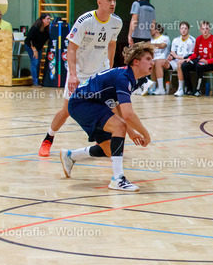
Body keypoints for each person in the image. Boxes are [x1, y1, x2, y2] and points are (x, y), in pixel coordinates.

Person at [38, 0, 122, 157]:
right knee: (67, 110)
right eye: (109, 0)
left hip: (100, 71)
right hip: (81, 72)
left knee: (110, 106)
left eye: (114, 0)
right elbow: (71, 49)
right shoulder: (85, 21)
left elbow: (112, 44)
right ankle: (48, 139)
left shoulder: (117, 22)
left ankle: (105, 140)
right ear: (99, 2)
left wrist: (110, 69)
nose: (112, 3)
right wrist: (73, 75)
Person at [60, 42, 153, 191]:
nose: (152, 62)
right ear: (136, 61)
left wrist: (131, 132)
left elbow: (118, 106)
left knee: (110, 149)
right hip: (82, 103)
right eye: (148, 59)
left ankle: (71, 156)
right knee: (119, 127)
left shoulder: (131, 78)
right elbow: (128, 114)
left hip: (94, 104)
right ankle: (118, 179)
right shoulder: (123, 78)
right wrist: (145, 134)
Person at [181, 20, 213, 96]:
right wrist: (190, 58)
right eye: (203, 29)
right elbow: (195, 53)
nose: (205, 31)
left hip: (212, 63)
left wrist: (208, 61)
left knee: (199, 66)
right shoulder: (198, 39)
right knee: (185, 65)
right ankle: (189, 89)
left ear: (209, 29)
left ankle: (198, 89)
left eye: (207, 28)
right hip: (201, 61)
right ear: (200, 30)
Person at [24, 13, 51, 87]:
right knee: (35, 62)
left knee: (38, 63)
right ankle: (35, 82)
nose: (49, 20)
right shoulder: (35, 28)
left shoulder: (46, 30)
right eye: (47, 19)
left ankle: (37, 80)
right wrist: (34, 50)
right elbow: (30, 40)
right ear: (42, 19)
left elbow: (47, 39)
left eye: (49, 19)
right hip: (30, 46)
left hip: (38, 47)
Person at [171, 22, 197, 97]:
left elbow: (191, 55)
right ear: (179, 29)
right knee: (159, 62)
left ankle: (180, 88)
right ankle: (157, 87)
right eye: (182, 28)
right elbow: (172, 52)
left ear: (188, 30)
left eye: (185, 28)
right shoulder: (176, 40)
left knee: (179, 63)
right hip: (176, 59)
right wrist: (172, 56)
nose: (183, 30)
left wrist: (177, 56)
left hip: (187, 60)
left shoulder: (192, 40)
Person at [145, 24, 170, 95]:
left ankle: (161, 88)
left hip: (165, 60)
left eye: (151, 29)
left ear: (156, 30)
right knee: (151, 62)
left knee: (157, 62)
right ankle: (153, 87)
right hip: (154, 61)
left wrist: (149, 45)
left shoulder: (165, 38)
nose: (150, 31)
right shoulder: (151, 40)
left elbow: (162, 45)